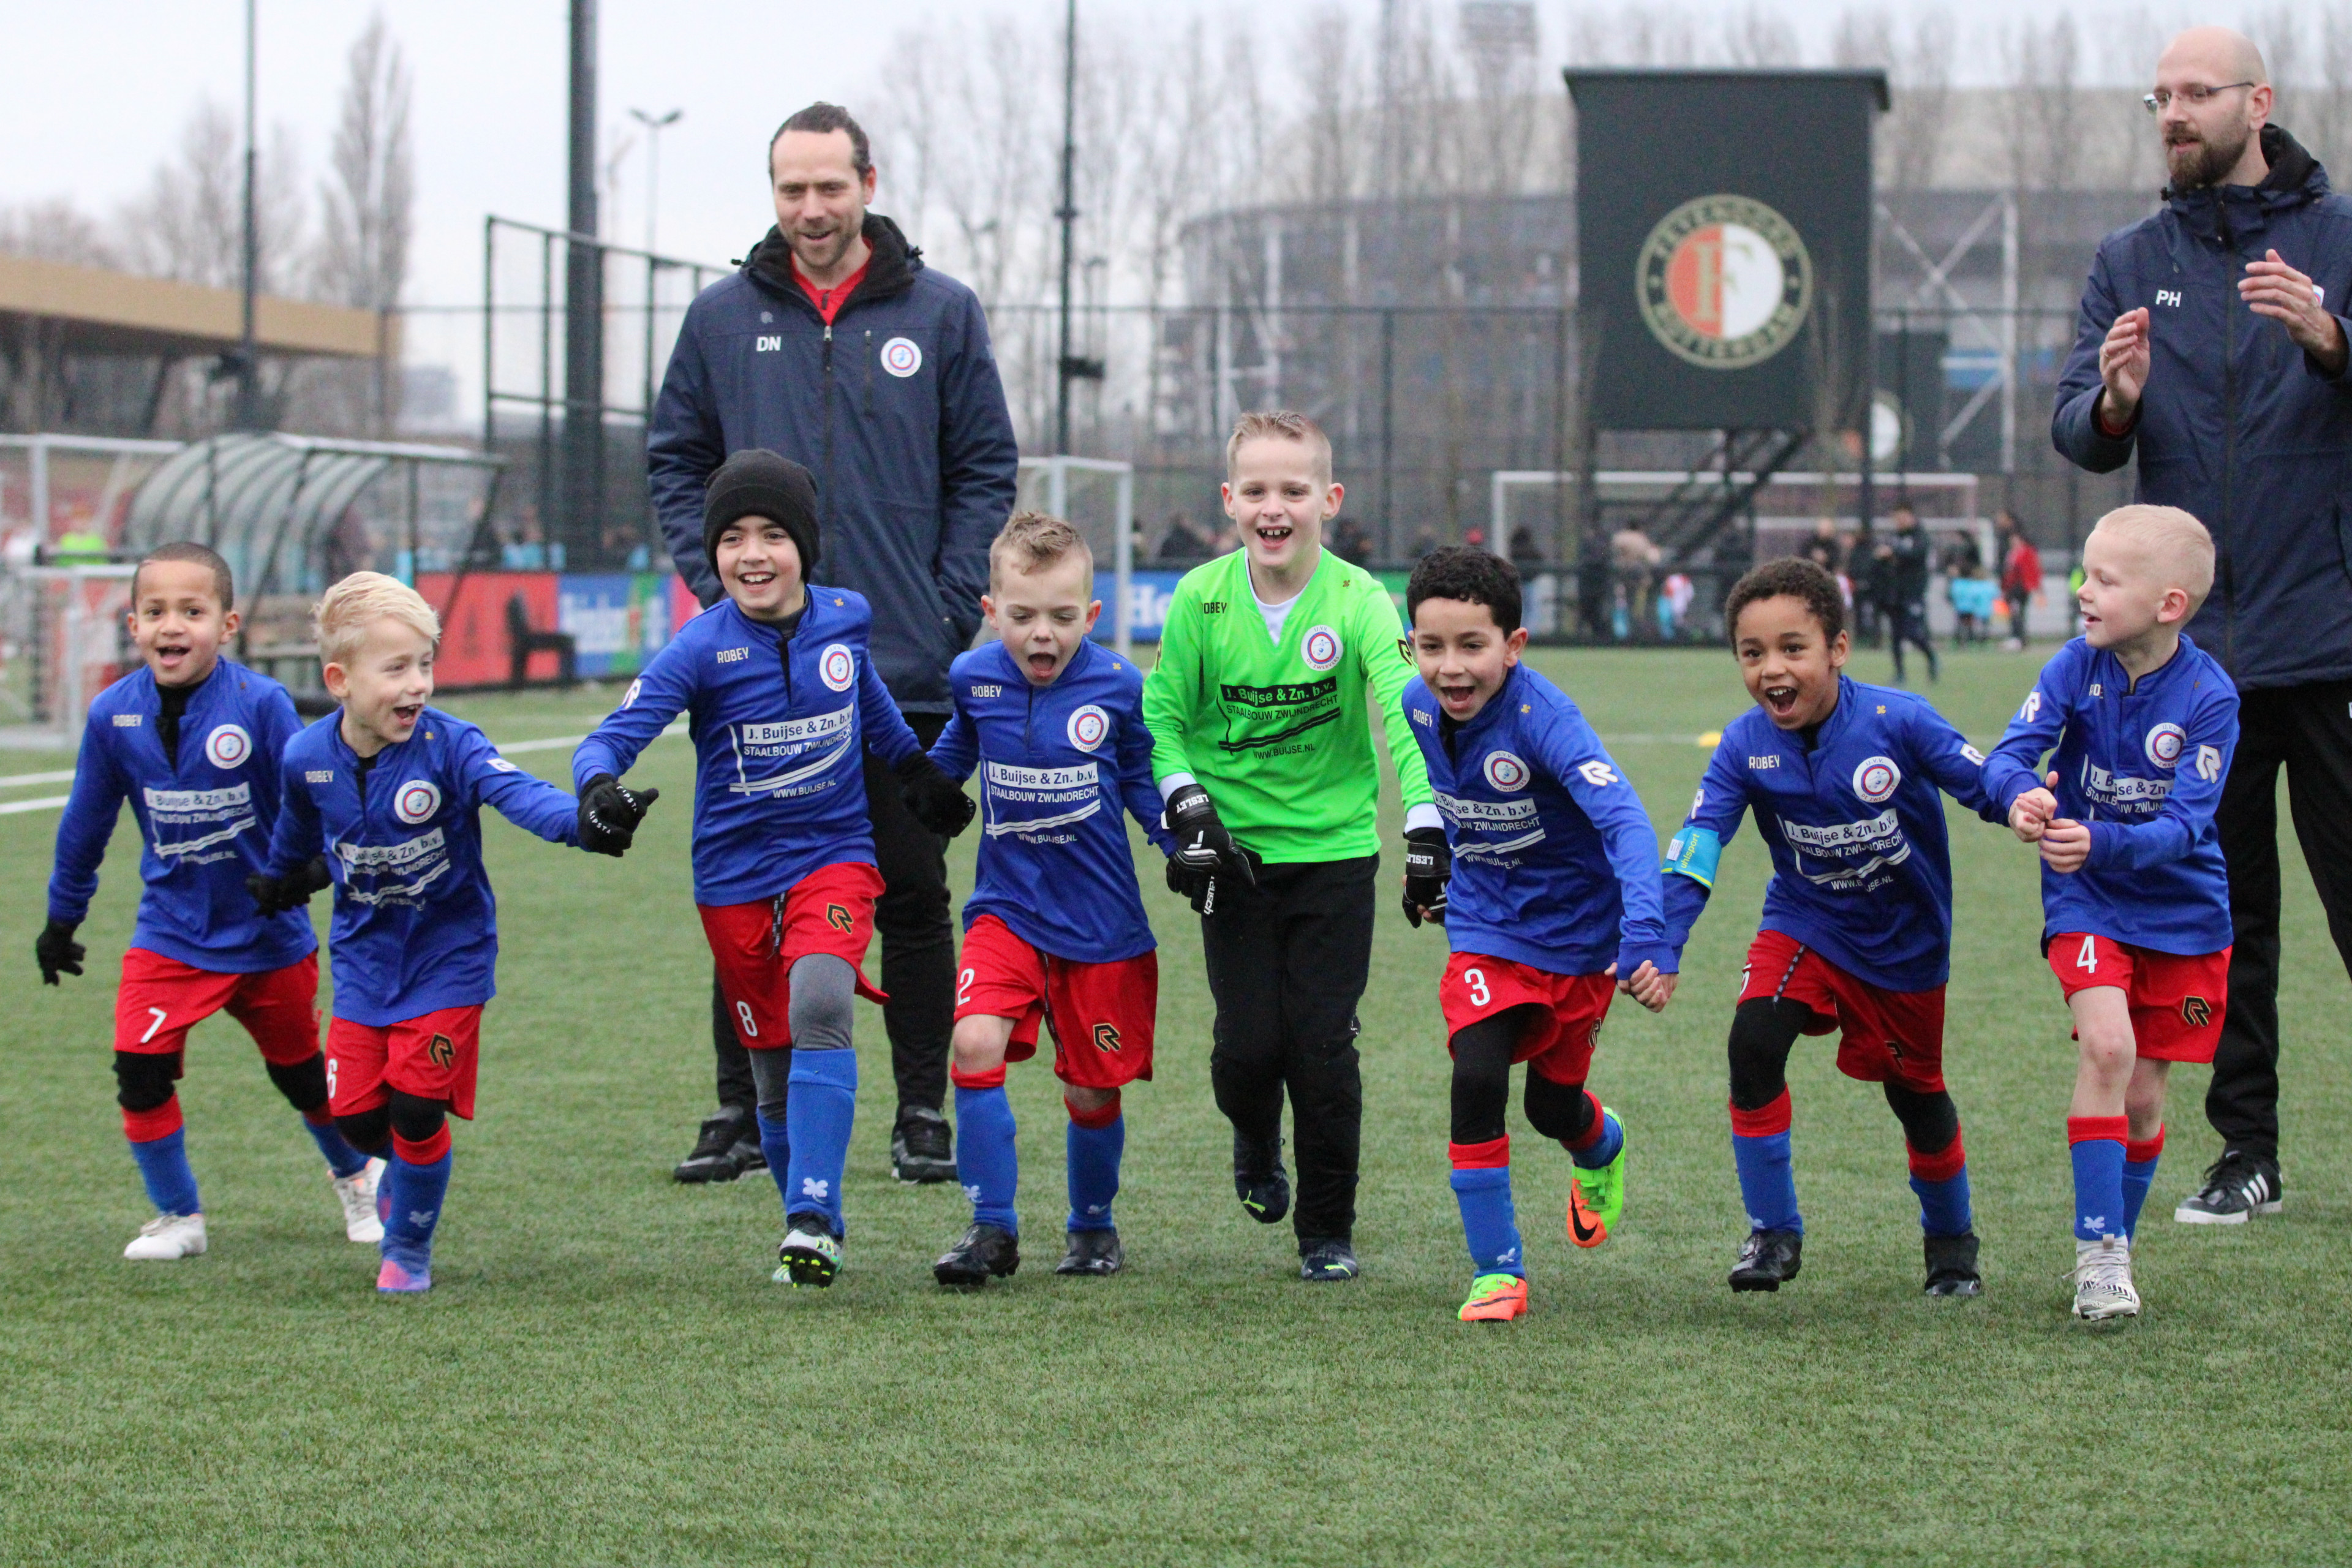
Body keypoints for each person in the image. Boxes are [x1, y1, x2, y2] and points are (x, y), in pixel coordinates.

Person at [647, 100, 1018, 1188]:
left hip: (905, 665)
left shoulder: (943, 314)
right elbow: (674, 461)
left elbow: (986, 468)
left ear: (868, 181)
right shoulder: (721, 321)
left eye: (829, 186)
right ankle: (737, 1111)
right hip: (756, 672)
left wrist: (950, 604)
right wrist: (712, 577)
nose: (811, 209)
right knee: (747, 889)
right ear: (774, 195)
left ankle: (919, 1112)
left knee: (909, 891)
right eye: (790, 189)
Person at [2052, 26, 2352, 1223]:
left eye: (2195, 93)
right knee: (2220, 919)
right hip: (2191, 667)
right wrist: (2115, 402)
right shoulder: (2130, 258)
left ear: (2258, 103)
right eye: (2160, 94)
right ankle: (2248, 1152)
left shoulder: (2338, 243)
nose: (2172, 112)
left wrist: (2334, 340)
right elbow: (2077, 421)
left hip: (2330, 638)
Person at [573, 451, 971, 1287]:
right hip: (735, 879)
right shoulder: (697, 648)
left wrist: (915, 771)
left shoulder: (846, 619)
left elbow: (867, 702)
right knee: (772, 1063)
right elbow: (611, 737)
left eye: (774, 534)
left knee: (823, 997)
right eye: (734, 538)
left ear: (807, 547)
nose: (753, 554)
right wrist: (598, 788)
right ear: (713, 553)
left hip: (834, 853)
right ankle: (806, 1210)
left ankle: (813, 1217)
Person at [255, 573, 648, 1294]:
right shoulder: (305, 756)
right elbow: (296, 833)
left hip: (450, 959)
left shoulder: (451, 744)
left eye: (425, 665)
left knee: (415, 1104)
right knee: (357, 1117)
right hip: (364, 963)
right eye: (397, 668)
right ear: (339, 679)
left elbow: (519, 795)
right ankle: (401, 1174)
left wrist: (586, 823)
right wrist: (280, 879)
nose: (418, 685)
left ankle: (407, 1246)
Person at [1141, 410, 1439, 1283]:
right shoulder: (1201, 598)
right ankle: (1253, 1135)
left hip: (1337, 859)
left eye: (1295, 491)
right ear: (1230, 501)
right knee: (1247, 1050)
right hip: (1232, 863)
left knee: (1321, 1047)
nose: (1277, 508)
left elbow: (1405, 710)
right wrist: (1187, 804)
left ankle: (1326, 1229)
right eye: (1258, 491)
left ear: (1329, 500)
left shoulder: (1359, 600)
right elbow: (1162, 719)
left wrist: (1423, 821)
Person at [37, 542, 382, 1262]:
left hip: (267, 934)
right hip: (170, 935)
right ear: (133, 625)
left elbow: (317, 796)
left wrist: (308, 873)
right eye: (156, 611)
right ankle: (178, 1218)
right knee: (139, 1066)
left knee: (300, 1075)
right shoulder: (111, 716)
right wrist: (62, 917)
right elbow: (86, 823)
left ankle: (355, 1173)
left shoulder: (261, 704)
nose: (173, 626)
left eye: (191, 611)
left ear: (226, 625)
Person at [1661, 558, 1994, 1297]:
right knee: (1753, 1042)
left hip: (1905, 943)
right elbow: (1699, 841)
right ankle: (1773, 1233)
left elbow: (1981, 777)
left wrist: (2025, 799)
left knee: (1916, 1094)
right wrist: (1663, 940)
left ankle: (1951, 1244)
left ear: (1837, 650)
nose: (1772, 669)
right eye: (1753, 654)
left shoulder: (1896, 721)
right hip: (1805, 922)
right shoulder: (1745, 744)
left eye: (1792, 648)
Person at [1397, 547, 1674, 1322]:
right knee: (1477, 1073)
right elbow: (1456, 799)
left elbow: (1625, 820)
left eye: (1472, 646)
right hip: (1486, 929)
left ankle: (1602, 1143)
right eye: (1433, 646)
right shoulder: (1421, 709)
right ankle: (1498, 1271)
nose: (1452, 668)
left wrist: (1645, 930)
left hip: (1579, 944)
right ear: (1411, 644)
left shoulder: (1546, 721)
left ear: (1513, 647)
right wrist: (1432, 866)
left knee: (1552, 1108)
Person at [1985, 507, 2239, 1321]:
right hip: (2088, 898)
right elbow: (2011, 754)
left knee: (2144, 1094)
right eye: (2084, 574)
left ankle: (2115, 1248)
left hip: (2184, 914)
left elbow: (2186, 828)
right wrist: (2018, 796)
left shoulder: (2210, 698)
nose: (2083, 592)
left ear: (2169, 605)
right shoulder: (2073, 665)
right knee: (2108, 1047)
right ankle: (2097, 1254)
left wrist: (2093, 838)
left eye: (2104, 580)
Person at [923, 513, 1175, 1287]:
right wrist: (917, 798)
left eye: (1062, 618)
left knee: (1090, 1086)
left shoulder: (1119, 687)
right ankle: (991, 1228)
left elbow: (1140, 782)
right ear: (991, 609)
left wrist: (1182, 849)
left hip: (1100, 924)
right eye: (1023, 616)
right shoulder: (973, 681)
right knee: (972, 1044)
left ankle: (1092, 1225)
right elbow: (948, 764)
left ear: (1091, 617)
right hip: (1005, 910)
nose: (1042, 635)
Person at [1879, 505, 1940, 684]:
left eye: (1902, 518)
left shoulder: (1920, 536)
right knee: (1896, 635)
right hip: (1896, 593)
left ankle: (1931, 658)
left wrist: (1894, 553)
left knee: (1913, 632)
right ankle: (1900, 673)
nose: (1898, 522)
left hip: (1913, 593)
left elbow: (1917, 555)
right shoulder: (1894, 537)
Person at [1996, 510, 2042, 650]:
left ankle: (2019, 639)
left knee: (2018, 612)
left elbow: (2029, 571)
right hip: (2014, 588)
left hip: (2020, 588)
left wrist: (2034, 586)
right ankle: (2017, 638)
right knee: (2015, 612)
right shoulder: (2013, 553)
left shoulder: (2024, 553)